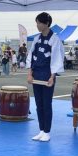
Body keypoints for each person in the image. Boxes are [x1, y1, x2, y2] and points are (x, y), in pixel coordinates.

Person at [27, 12, 64, 142]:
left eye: (39, 22)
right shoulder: (36, 39)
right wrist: (30, 73)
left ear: (46, 23)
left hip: (48, 76)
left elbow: (57, 59)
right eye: (36, 22)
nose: (37, 25)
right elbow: (31, 56)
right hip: (36, 75)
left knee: (47, 104)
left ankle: (47, 132)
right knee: (38, 104)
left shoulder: (54, 39)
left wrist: (52, 76)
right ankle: (41, 130)